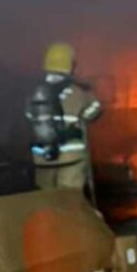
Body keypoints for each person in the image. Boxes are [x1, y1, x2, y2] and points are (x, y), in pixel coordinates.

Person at [25, 42, 102, 191]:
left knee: (46, 199)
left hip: (42, 158)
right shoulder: (78, 91)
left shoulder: (35, 92)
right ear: (70, 65)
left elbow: (29, 115)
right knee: (70, 199)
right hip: (71, 157)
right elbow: (95, 111)